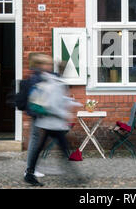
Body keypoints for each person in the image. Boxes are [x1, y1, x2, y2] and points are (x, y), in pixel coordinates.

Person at [25, 58, 86, 186]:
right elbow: (53, 105)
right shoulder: (56, 83)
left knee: (43, 148)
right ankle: (74, 178)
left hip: (50, 123)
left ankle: (30, 173)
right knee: (63, 149)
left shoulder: (55, 81)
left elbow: (58, 99)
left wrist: (72, 103)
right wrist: (65, 114)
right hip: (53, 123)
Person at [21, 52, 51, 183]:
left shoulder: (37, 75)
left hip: (37, 112)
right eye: (47, 64)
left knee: (37, 139)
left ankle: (31, 168)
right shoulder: (38, 77)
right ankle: (30, 169)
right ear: (40, 65)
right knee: (35, 139)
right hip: (37, 113)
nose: (49, 66)